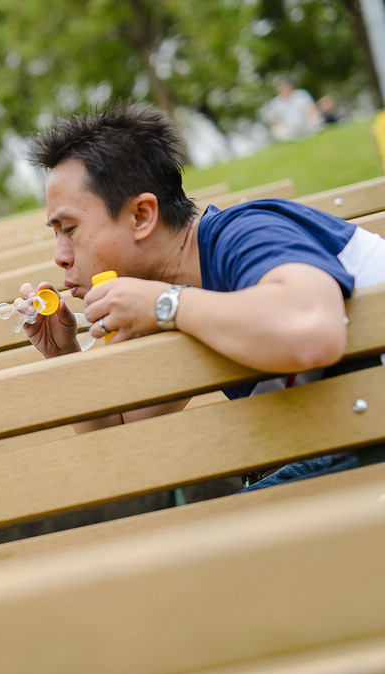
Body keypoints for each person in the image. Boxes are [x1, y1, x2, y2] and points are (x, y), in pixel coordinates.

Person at [20, 101, 385, 490]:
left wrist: (167, 306)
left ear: (142, 216)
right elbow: (124, 443)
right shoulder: (164, 298)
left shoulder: (245, 233)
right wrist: (64, 357)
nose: (59, 257)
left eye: (70, 229)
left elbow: (313, 333)